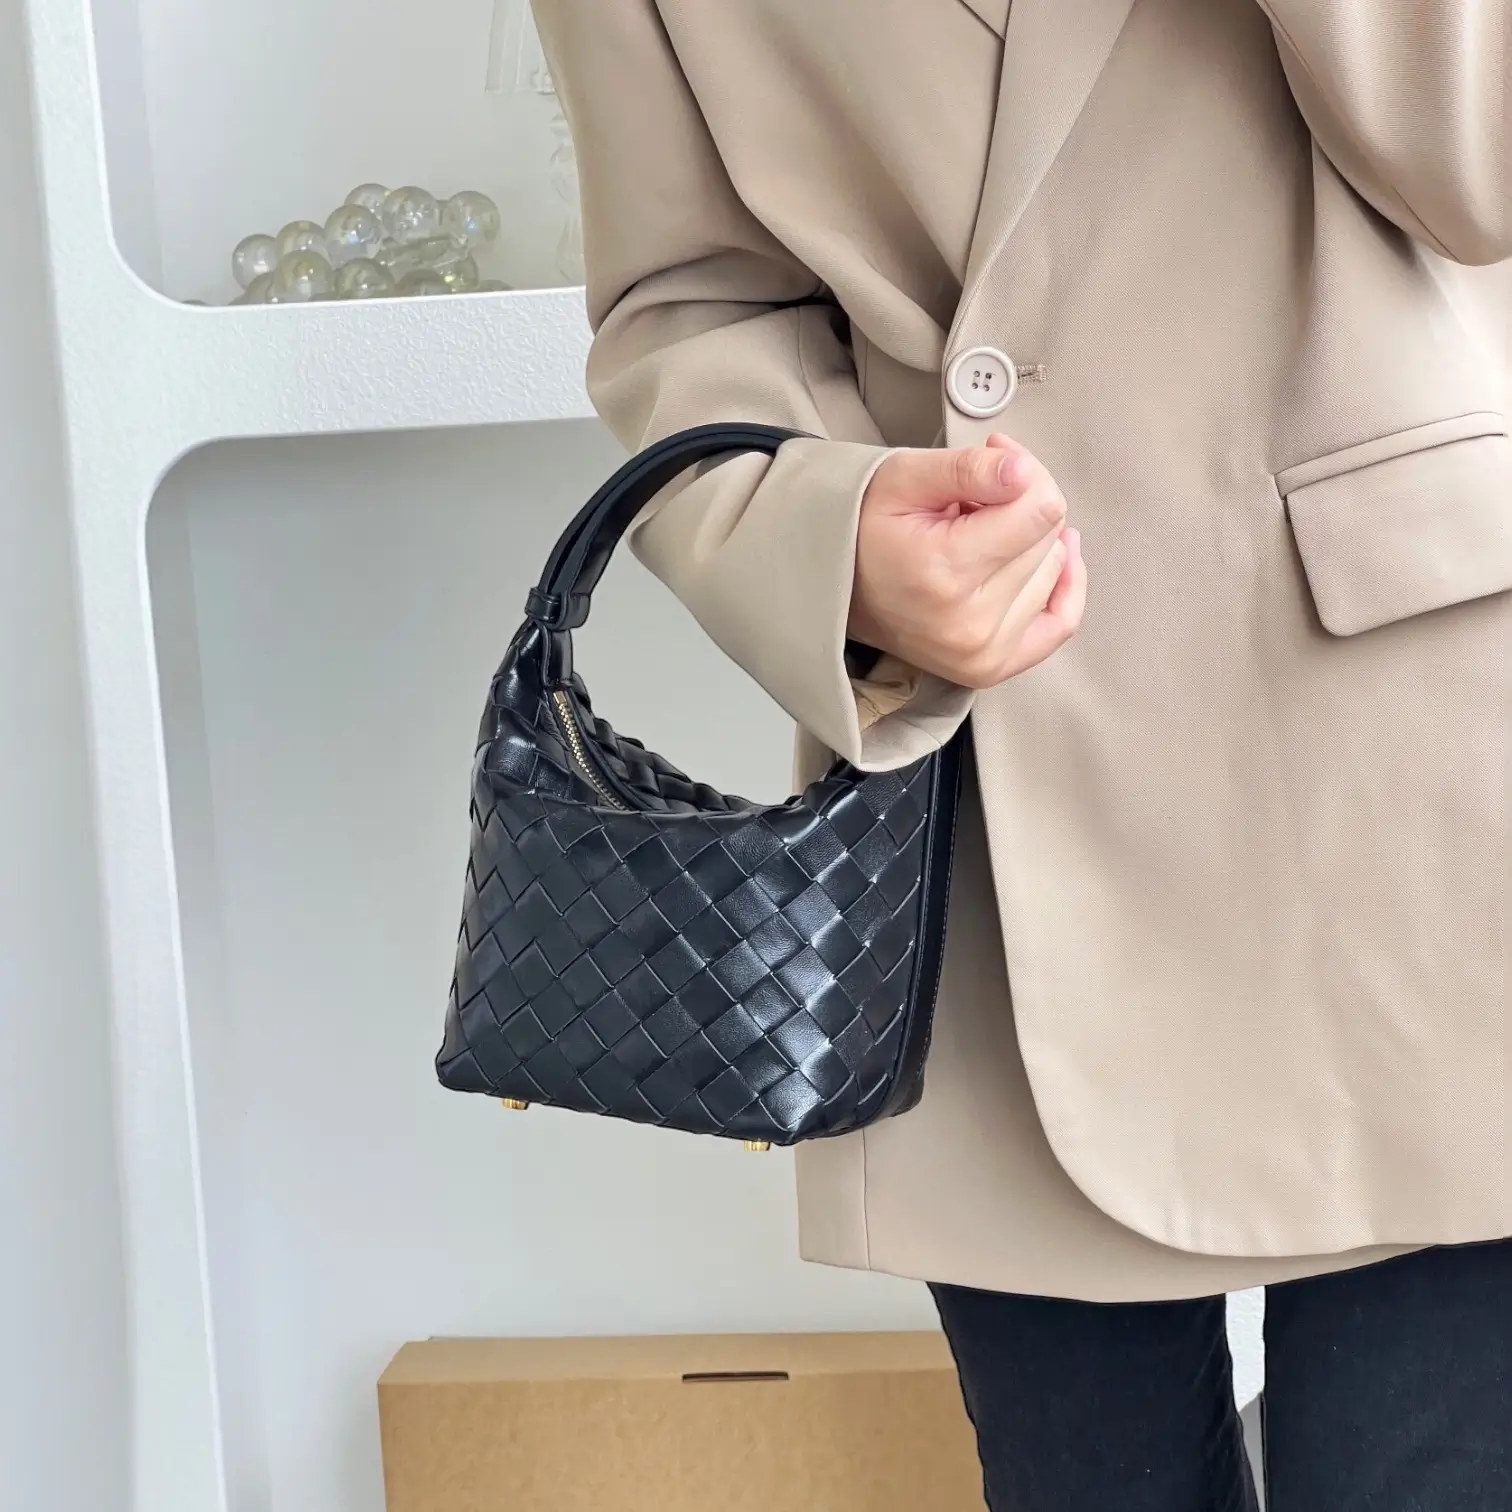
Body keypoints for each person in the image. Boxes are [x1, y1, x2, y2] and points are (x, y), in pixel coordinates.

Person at [531, 2, 1512, 1506]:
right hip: (997, 808)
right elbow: (688, 302)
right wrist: (830, 547)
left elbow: (1480, 164)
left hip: (1402, 759)